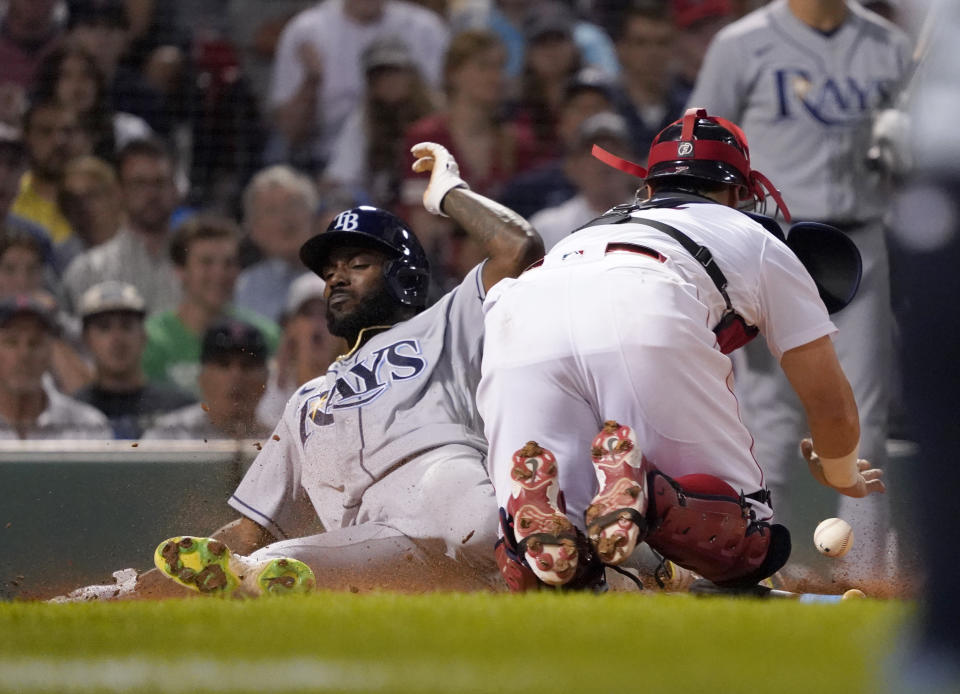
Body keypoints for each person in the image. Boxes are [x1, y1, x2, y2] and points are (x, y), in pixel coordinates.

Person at [473, 108, 884, 592]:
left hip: (516, 318)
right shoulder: (755, 238)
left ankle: (539, 520)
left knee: (560, 577)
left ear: (647, 189)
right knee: (748, 549)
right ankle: (645, 492)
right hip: (644, 302)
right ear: (737, 194)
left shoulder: (587, 229)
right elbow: (829, 400)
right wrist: (839, 472)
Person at [120, 140, 542, 599]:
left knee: (481, 526)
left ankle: (566, 559)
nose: (337, 278)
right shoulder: (304, 401)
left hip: (449, 483)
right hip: (380, 540)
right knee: (266, 566)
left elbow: (519, 247)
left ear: (404, 276)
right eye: (330, 273)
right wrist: (153, 585)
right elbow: (247, 529)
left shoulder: (444, 321)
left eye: (358, 265)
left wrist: (447, 192)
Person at [687, 0, 912, 590]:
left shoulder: (888, 44)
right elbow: (698, 144)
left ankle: (863, 573)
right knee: (767, 414)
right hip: (772, 241)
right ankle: (757, 564)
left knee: (865, 409)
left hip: (858, 237)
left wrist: (908, 149)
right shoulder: (742, 43)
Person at [267, 0, 449, 172]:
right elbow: (289, 133)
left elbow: (450, 112)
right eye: (380, 75)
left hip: (410, 150)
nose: (386, 83)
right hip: (320, 158)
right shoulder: (306, 31)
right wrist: (312, 81)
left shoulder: (425, 28)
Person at [141, 215, 280, 396]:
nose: (219, 274)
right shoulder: (151, 340)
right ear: (180, 271)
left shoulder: (264, 336)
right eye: (206, 263)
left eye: (229, 263)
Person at [62, 138, 181, 313]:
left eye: (160, 183)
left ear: (175, 189)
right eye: (139, 184)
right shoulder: (88, 270)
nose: (152, 194)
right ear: (119, 191)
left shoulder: (200, 269)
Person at [321, 36, 438, 209]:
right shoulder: (363, 120)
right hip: (382, 209)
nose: (389, 81)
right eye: (380, 75)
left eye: (395, 72)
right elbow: (339, 177)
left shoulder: (437, 114)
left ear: (412, 74)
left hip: (434, 202)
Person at [73, 281, 194, 439]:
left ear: (144, 336)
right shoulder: (72, 414)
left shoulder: (180, 410)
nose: (117, 339)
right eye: (104, 327)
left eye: (126, 326)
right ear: (86, 339)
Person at [0, 290, 111, 439]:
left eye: (35, 342)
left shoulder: (88, 425)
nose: (24, 354)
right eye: (11, 342)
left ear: (51, 351)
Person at [142, 319, 272, 440]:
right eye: (223, 364)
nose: (236, 376)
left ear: (266, 378)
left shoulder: (281, 437)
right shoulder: (167, 435)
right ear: (202, 377)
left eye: (248, 365)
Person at [529, 111, 638, 250]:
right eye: (595, 155)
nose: (605, 163)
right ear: (572, 167)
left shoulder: (657, 223)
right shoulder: (548, 228)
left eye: (614, 153)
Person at [234, 165, 319, 323]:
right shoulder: (243, 287)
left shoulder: (339, 277)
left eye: (293, 205)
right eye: (271, 211)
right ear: (253, 229)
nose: (285, 218)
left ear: (312, 215)